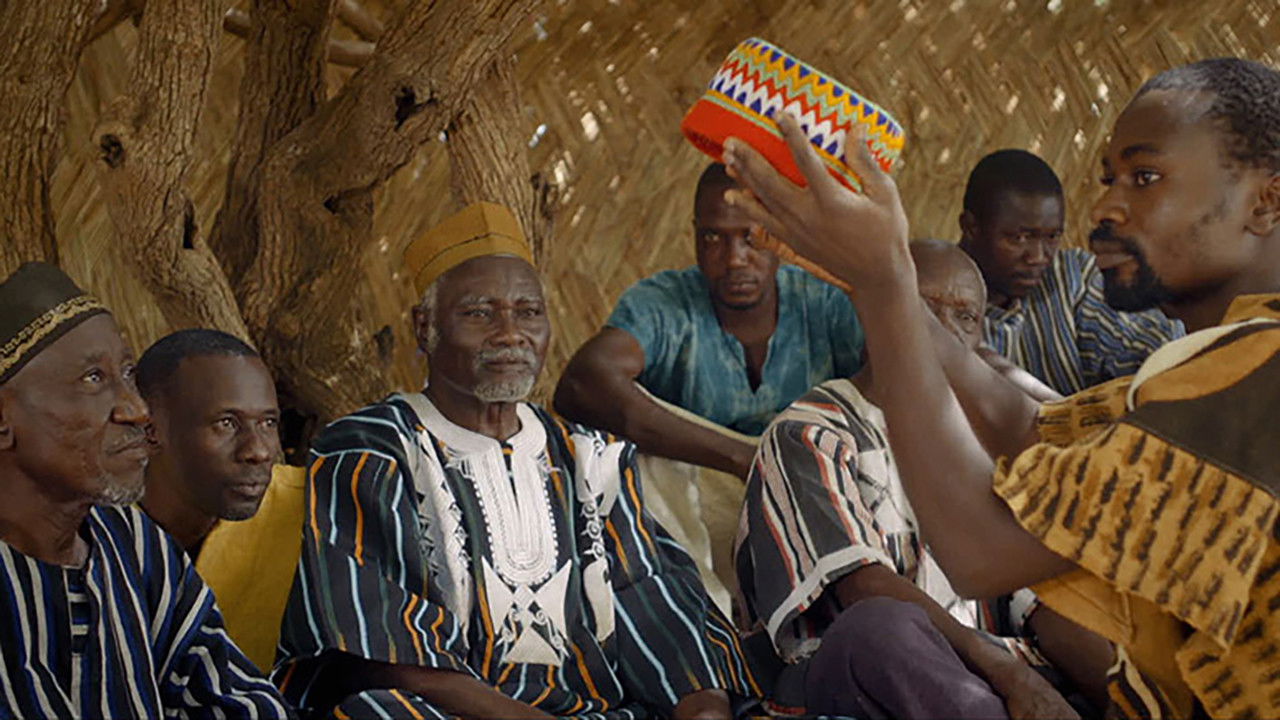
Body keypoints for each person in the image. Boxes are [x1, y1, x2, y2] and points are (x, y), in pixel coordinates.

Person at [723, 56, 1280, 718]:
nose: (1104, 206)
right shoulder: (1208, 372)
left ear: (1265, 201)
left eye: (1146, 177)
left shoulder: (1256, 378)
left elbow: (982, 552)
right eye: (1109, 178)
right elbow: (1035, 432)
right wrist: (884, 282)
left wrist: (886, 287)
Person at [274, 202, 758, 719]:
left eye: (528, 312)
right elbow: (381, 649)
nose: (510, 333)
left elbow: (655, 604)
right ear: (424, 327)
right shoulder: (374, 449)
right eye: (479, 314)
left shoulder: (588, 459)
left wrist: (702, 708)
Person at [736, 240, 1109, 718]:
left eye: (965, 317)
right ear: (875, 315)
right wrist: (1010, 675)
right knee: (877, 627)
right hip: (861, 670)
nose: (945, 332)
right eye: (925, 310)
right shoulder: (811, 432)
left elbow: (1038, 598)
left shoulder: (986, 446)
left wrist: (1129, 692)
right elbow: (862, 589)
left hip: (985, 674)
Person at [555, 163, 863, 608]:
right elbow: (583, 383)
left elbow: (889, 389)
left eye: (751, 237)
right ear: (695, 235)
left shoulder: (823, 301)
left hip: (814, 498)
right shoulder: (663, 304)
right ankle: (704, 617)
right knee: (645, 461)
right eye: (714, 238)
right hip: (699, 524)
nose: (734, 258)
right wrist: (741, 458)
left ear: (779, 234)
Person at [0, 262, 292, 717]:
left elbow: (235, 698)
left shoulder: (133, 545)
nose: (136, 409)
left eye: (128, 374)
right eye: (93, 379)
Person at [137, 328, 306, 672]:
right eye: (227, 423)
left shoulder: (309, 508)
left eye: (268, 423)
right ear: (150, 429)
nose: (259, 451)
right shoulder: (83, 534)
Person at [959, 149, 1184, 395]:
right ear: (971, 227)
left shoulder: (1073, 279)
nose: (1038, 257)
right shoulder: (938, 305)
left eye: (1052, 237)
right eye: (1019, 238)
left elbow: (1153, 351)